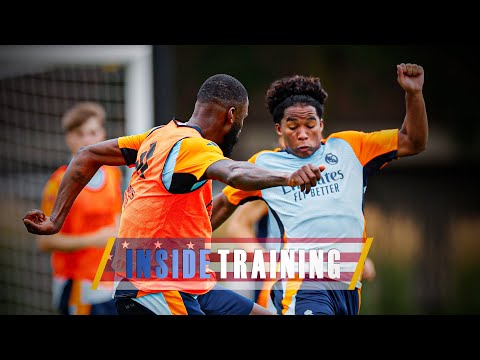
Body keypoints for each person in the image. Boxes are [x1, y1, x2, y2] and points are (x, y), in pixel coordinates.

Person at [23, 74, 322, 315]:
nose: (239, 130)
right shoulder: (196, 148)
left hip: (189, 284)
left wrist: (54, 220)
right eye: (242, 121)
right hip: (157, 288)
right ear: (231, 116)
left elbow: (87, 155)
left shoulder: (157, 135)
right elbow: (234, 173)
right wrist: (287, 177)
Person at [211, 63, 427, 315]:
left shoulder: (351, 148)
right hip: (303, 284)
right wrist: (182, 241)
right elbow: (225, 203)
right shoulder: (265, 164)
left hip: (348, 287)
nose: (303, 133)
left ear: (321, 124)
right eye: (293, 126)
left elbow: (414, 141)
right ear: (279, 129)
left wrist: (413, 94)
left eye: (310, 124)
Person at [36, 102, 122, 315]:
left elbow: (117, 219)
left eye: (92, 132)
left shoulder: (113, 173)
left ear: (102, 133)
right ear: (69, 138)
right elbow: (45, 241)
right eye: (80, 134)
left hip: (111, 282)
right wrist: (95, 239)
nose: (87, 140)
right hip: (78, 287)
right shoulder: (58, 183)